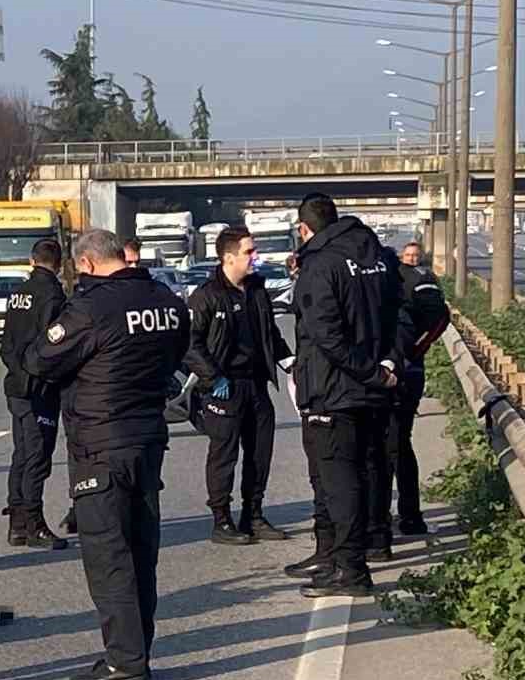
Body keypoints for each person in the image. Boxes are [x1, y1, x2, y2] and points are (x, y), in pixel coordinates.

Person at [25, 228, 190, 680]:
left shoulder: (91, 307)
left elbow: (40, 358)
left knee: (108, 554)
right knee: (141, 551)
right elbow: (178, 351)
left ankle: (124, 662)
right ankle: (139, 650)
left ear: (89, 264)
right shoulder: (165, 299)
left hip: (100, 442)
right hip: (148, 437)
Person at [284, 193, 400, 598]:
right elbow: (395, 317)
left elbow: (325, 334)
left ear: (304, 228)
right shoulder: (379, 256)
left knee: (338, 481)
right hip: (374, 389)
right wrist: (384, 367)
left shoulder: (322, 264)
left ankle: (349, 568)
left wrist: (365, 371)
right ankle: (354, 554)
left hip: (334, 389)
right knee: (367, 471)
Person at [184, 226, 296, 545]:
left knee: (260, 453)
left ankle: (254, 515)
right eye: (249, 252)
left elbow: (270, 335)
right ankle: (221, 520)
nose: (255, 257)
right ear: (229, 257)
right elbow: (189, 344)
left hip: (256, 385)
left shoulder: (258, 291)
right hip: (224, 387)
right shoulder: (206, 295)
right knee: (224, 455)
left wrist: (290, 363)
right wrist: (213, 377)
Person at [0, 237, 69, 550]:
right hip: (38, 387)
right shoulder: (52, 294)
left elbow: (8, 343)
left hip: (15, 384)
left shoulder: (18, 293)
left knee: (21, 453)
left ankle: (17, 521)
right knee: (37, 456)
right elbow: (52, 345)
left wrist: (18, 370)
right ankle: (33, 522)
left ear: (32, 260)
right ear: (59, 263)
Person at [386, 241, 449, 538]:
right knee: (398, 443)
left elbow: (440, 316)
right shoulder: (415, 279)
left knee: (389, 445)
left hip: (396, 375)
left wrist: (410, 353)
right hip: (406, 372)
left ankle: (395, 518)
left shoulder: (408, 279)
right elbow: (440, 318)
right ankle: (405, 516)